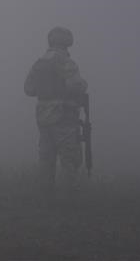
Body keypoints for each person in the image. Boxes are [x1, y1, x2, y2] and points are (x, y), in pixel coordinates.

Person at [24, 26, 88, 199]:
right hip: (64, 117)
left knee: (46, 159)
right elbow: (77, 86)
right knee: (70, 160)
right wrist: (83, 85)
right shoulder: (65, 61)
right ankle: (69, 202)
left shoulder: (39, 63)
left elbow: (28, 89)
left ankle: (45, 199)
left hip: (43, 117)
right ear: (67, 42)